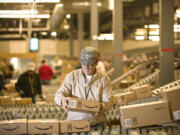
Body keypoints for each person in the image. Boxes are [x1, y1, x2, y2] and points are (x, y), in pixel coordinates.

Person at [54, 47, 113, 131]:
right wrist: (62, 100)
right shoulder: (72, 76)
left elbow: (110, 101)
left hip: (96, 123)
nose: (86, 67)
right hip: (75, 122)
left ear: (96, 63)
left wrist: (101, 106)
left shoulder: (104, 79)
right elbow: (58, 94)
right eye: (83, 64)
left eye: (89, 65)